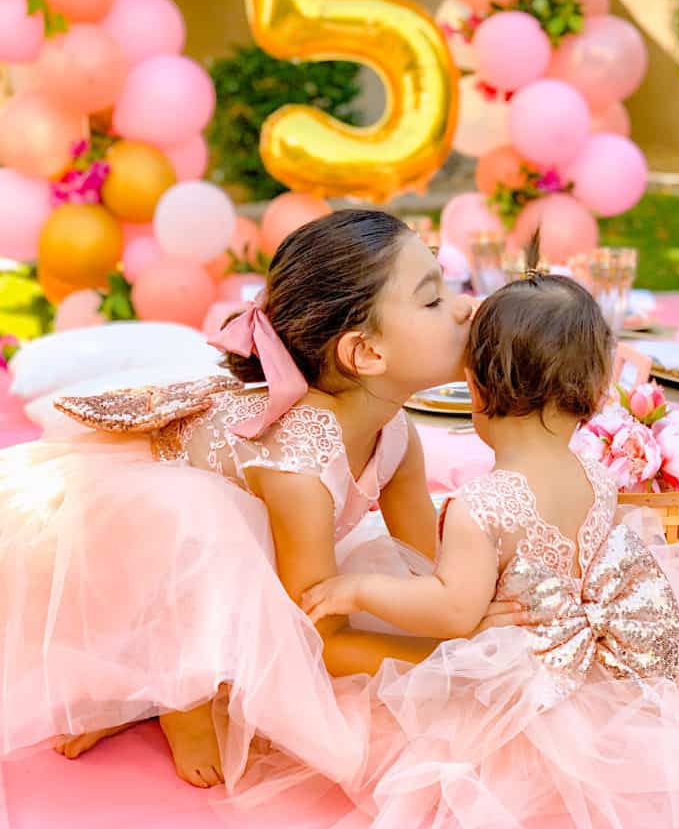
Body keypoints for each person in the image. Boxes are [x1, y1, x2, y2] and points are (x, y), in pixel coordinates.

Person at [0, 210, 525, 794]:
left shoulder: (392, 428)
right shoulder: (301, 457)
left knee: (318, 573)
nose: (465, 307)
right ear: (367, 354)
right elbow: (320, 641)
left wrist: (482, 604)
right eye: (432, 300)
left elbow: (426, 562)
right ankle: (177, 694)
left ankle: (159, 679)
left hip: (234, 531)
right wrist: (448, 648)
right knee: (204, 524)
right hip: (118, 543)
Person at [303, 275, 679, 829]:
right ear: (596, 390)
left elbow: (453, 611)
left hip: (532, 695)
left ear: (475, 389)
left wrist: (360, 588)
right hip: (609, 671)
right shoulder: (596, 476)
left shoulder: (483, 505)